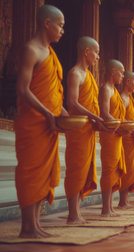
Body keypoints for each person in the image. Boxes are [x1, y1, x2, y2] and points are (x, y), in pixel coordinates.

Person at [14, 4, 66, 238]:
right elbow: (23, 90)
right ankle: (26, 227)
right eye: (60, 25)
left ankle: (35, 224)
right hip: (33, 123)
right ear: (47, 23)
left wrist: (65, 114)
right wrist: (47, 113)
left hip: (50, 124)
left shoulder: (51, 55)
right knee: (30, 172)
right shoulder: (31, 50)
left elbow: (54, 94)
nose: (62, 31)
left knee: (43, 175)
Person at [65, 36, 106, 224]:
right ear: (86, 52)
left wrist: (95, 120)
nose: (98, 57)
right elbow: (72, 102)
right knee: (76, 169)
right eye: (96, 52)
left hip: (88, 129)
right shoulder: (75, 73)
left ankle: (77, 212)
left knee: (84, 170)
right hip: (78, 129)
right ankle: (73, 214)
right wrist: (95, 117)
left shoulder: (89, 76)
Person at [98, 59, 127, 216]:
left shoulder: (115, 91)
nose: (122, 75)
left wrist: (122, 126)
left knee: (114, 169)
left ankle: (110, 206)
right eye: (121, 72)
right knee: (109, 169)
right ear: (112, 72)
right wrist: (118, 126)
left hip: (116, 133)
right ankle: (105, 208)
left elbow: (117, 116)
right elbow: (104, 113)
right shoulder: (106, 89)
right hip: (109, 133)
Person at [118, 71, 134, 208]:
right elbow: (121, 119)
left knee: (132, 169)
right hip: (126, 138)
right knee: (126, 169)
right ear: (127, 82)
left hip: (133, 138)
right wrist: (133, 129)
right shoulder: (123, 98)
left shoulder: (131, 100)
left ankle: (125, 200)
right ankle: (122, 201)